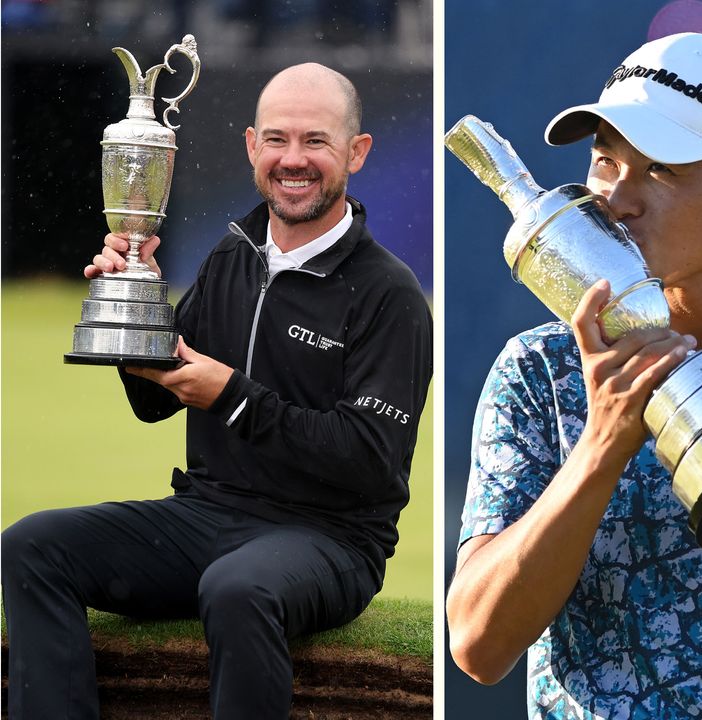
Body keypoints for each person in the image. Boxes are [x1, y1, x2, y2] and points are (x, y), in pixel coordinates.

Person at [2, 63, 432, 719]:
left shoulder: (388, 293)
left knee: (238, 589)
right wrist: (133, 308)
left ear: (356, 152)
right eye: (277, 140)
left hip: (332, 539)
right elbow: (156, 400)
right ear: (251, 146)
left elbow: (369, 461)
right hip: (207, 515)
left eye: (315, 141)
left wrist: (232, 395)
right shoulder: (231, 256)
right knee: (30, 545)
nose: (294, 159)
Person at [447, 32, 702, 718]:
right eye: (605, 162)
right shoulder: (540, 371)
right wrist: (601, 446)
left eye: (659, 169)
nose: (616, 198)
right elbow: (478, 645)